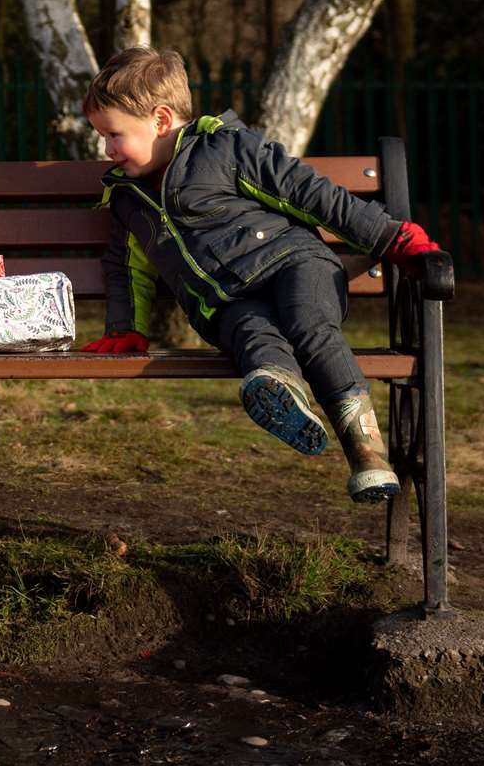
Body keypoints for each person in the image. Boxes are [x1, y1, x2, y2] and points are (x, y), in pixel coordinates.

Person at [80, 46, 442, 503]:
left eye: (114, 135)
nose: (107, 151)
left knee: (310, 327)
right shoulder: (128, 199)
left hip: (293, 264)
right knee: (254, 338)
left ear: (160, 118)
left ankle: (366, 453)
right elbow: (126, 269)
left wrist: (390, 238)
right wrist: (125, 329)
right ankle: (281, 394)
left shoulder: (223, 149)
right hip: (224, 301)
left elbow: (308, 194)